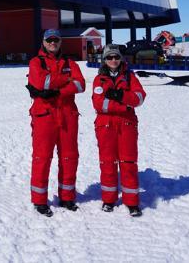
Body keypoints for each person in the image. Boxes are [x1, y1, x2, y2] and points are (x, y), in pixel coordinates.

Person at [26, 29, 86, 217]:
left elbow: (81, 84)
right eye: (49, 40)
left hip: (67, 115)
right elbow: (42, 82)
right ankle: (39, 200)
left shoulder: (70, 62)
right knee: (42, 158)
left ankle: (67, 197)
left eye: (56, 40)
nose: (53, 43)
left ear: (60, 42)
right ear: (44, 42)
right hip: (44, 115)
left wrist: (58, 90)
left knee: (69, 157)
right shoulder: (36, 62)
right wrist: (66, 79)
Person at [91, 44, 147, 217]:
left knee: (128, 162)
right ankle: (109, 199)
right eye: (109, 57)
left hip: (127, 125)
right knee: (107, 162)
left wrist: (120, 96)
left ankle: (132, 202)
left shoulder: (130, 77)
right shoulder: (99, 79)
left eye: (116, 57)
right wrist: (124, 105)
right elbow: (99, 104)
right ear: (104, 60)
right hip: (105, 125)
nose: (113, 60)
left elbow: (139, 97)